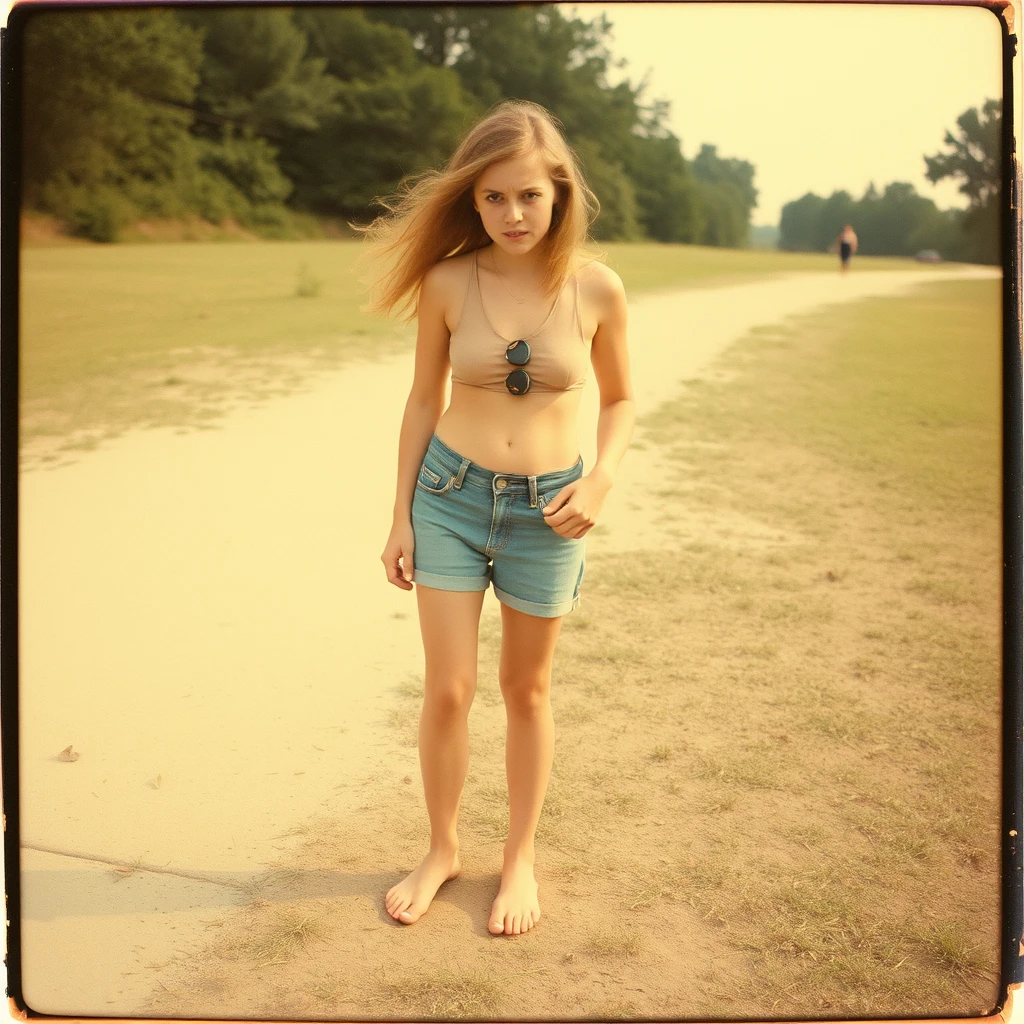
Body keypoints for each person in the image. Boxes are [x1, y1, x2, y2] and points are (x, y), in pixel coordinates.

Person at [367, 100, 634, 936]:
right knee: (448, 689)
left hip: (548, 513)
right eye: (492, 199)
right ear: (471, 201)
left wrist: (600, 482)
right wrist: (400, 517)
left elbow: (622, 399)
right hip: (447, 498)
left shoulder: (595, 286)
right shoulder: (449, 282)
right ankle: (443, 847)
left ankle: (519, 855)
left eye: (528, 196)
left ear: (558, 193)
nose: (512, 214)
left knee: (528, 689)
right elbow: (422, 400)